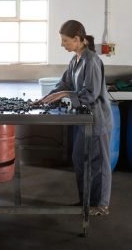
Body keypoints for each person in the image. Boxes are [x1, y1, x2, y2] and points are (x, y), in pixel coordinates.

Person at [40, 20, 112, 216]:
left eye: (65, 40)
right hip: (83, 119)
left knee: (98, 163)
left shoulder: (92, 61)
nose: (62, 44)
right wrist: (46, 98)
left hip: (97, 120)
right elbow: (65, 82)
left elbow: (91, 94)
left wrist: (65, 95)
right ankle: (86, 201)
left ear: (78, 39)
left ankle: (101, 205)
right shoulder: (76, 59)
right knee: (79, 159)